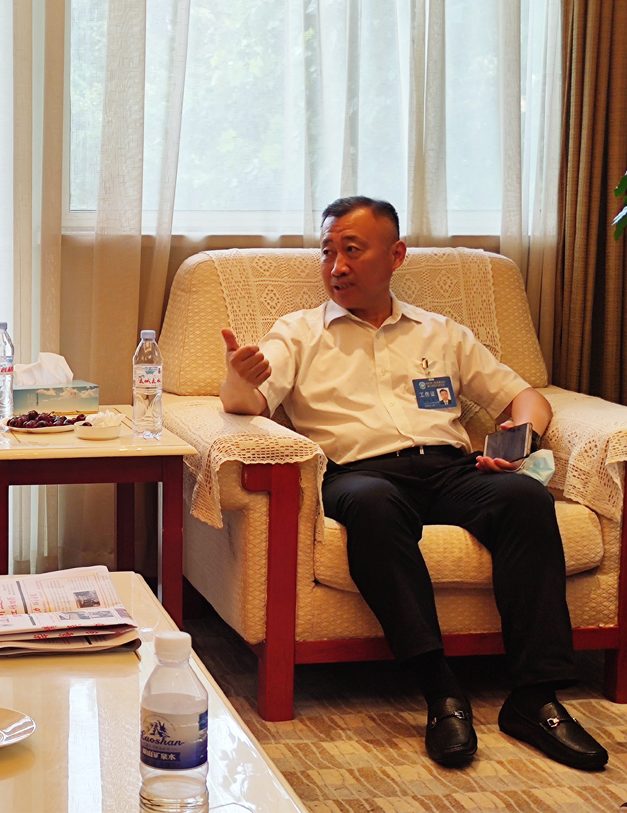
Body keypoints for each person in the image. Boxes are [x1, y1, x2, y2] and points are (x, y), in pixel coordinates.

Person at [219, 196, 607, 770]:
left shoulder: (440, 332)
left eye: (352, 250)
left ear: (396, 255)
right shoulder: (298, 333)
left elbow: (524, 396)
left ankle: (535, 696)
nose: (336, 266)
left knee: (525, 497)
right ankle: (441, 690)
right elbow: (248, 403)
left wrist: (517, 442)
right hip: (359, 475)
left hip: (450, 469)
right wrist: (236, 379)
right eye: (327, 252)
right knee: (373, 505)